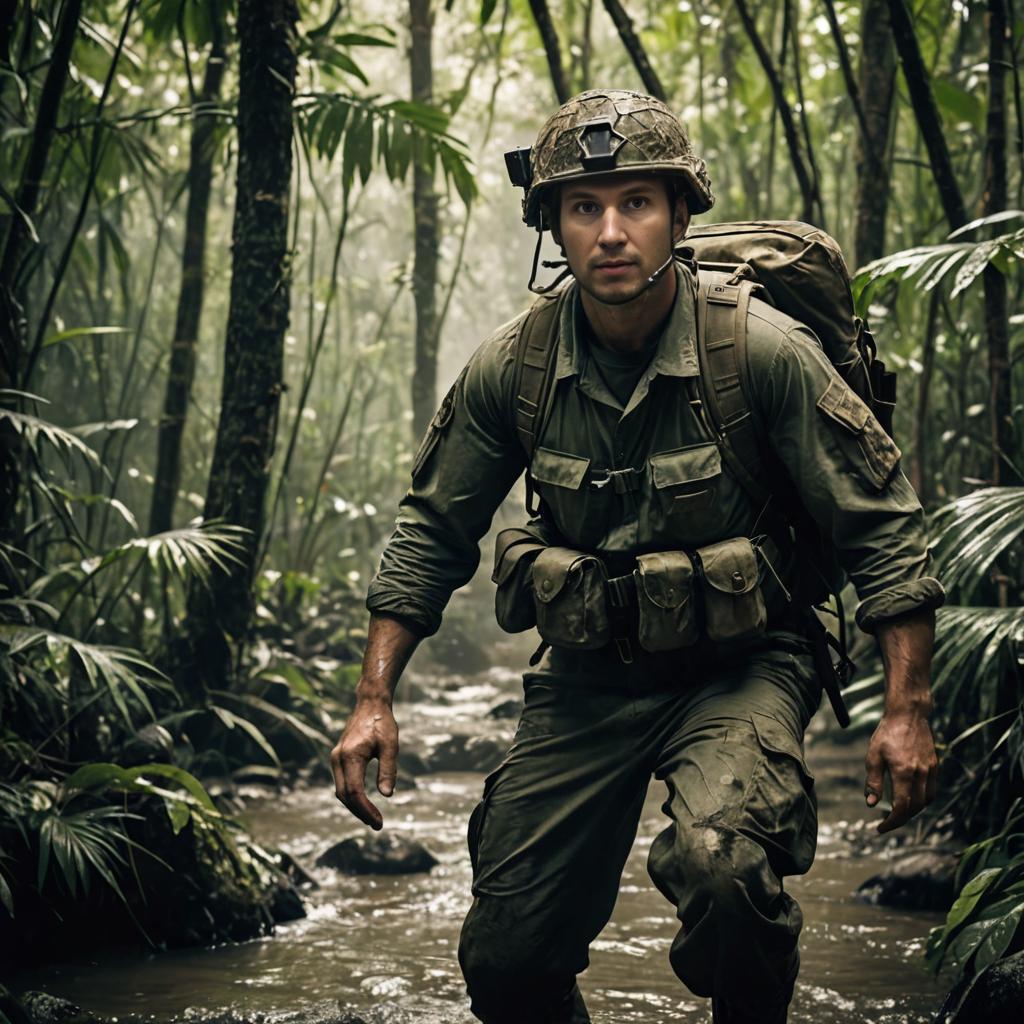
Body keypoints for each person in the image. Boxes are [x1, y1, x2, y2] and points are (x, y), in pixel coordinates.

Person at [330, 89, 944, 1024]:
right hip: (589, 676)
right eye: (584, 208)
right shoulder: (516, 367)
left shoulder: (762, 351)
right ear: (554, 226)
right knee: (505, 955)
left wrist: (906, 712)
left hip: (748, 662)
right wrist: (373, 700)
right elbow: (431, 530)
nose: (611, 232)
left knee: (726, 865)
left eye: (636, 204)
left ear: (679, 215)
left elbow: (881, 526)